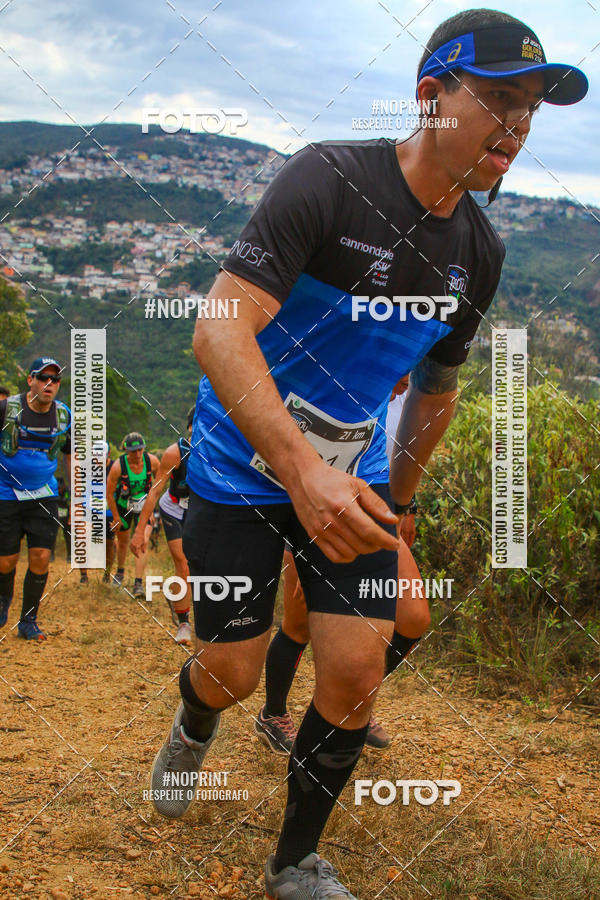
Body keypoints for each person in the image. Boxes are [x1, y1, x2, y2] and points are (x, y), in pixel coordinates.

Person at [149, 10, 587, 898]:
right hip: (243, 463)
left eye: (533, 109)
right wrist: (300, 470)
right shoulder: (331, 178)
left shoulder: (479, 249)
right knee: (229, 669)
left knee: (354, 674)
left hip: (355, 478)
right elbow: (219, 329)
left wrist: (403, 506)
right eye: (501, 100)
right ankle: (196, 720)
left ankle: (294, 862)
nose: (520, 127)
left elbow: (437, 390)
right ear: (430, 99)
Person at [255, 375, 426, 754]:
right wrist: (301, 544)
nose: (406, 380)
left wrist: (406, 506)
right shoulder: (340, 376)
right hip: (310, 506)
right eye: (402, 373)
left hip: (373, 508)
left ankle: (346, 705)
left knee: (413, 617)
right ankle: (273, 714)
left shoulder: (415, 395)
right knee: (299, 625)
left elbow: (401, 453)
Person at [0, 357, 71, 640]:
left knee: (41, 557)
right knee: (6, 561)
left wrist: (78, 497)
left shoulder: (64, 416)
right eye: (43, 378)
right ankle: (3, 601)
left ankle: (28, 621)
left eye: (55, 380)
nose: (49, 384)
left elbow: (71, 454)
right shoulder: (7, 409)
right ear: (31, 380)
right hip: (5, 493)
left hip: (44, 494)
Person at [131, 408, 195, 645]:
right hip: (174, 508)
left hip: (200, 510)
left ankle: (176, 595)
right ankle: (184, 623)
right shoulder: (175, 453)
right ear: (190, 427)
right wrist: (139, 531)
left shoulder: (219, 450)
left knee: (203, 566)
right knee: (183, 564)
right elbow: (155, 491)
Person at [106, 433, 159, 598]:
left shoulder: (153, 462)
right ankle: (120, 571)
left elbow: (157, 488)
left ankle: (138, 583)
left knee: (142, 540)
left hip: (145, 506)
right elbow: (109, 494)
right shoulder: (118, 467)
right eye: (133, 451)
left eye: (140, 450)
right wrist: (115, 517)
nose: (137, 454)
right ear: (126, 451)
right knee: (123, 541)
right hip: (123, 506)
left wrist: (151, 511)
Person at [79, 442, 117, 585]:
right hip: (88, 508)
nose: (98, 460)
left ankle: (107, 574)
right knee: (83, 538)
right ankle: (83, 575)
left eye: (101, 456)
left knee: (109, 544)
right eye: (95, 456)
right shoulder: (85, 465)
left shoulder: (115, 467)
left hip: (107, 511)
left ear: (108, 455)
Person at [52, 476, 71, 563]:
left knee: (68, 535)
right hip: (55, 515)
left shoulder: (68, 491)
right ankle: (51, 555)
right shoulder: (53, 491)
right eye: (58, 488)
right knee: (53, 535)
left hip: (66, 517)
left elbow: (69, 501)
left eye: (60, 487)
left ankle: (70, 555)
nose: (59, 489)